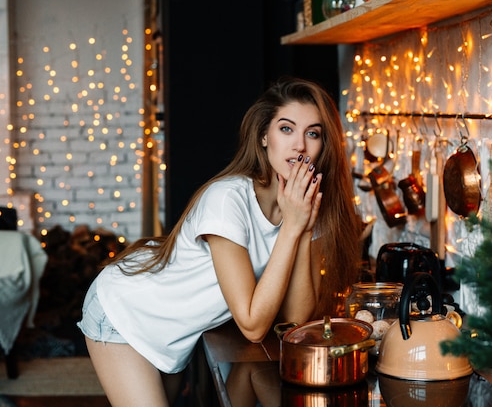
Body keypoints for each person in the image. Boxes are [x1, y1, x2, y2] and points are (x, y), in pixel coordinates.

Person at [76, 76, 363, 407]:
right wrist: (292, 228)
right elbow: (254, 327)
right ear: (264, 137)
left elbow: (295, 321)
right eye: (286, 129)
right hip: (126, 311)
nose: (299, 145)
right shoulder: (227, 200)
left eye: (312, 133)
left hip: (173, 334)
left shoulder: (303, 206)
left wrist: (297, 228)